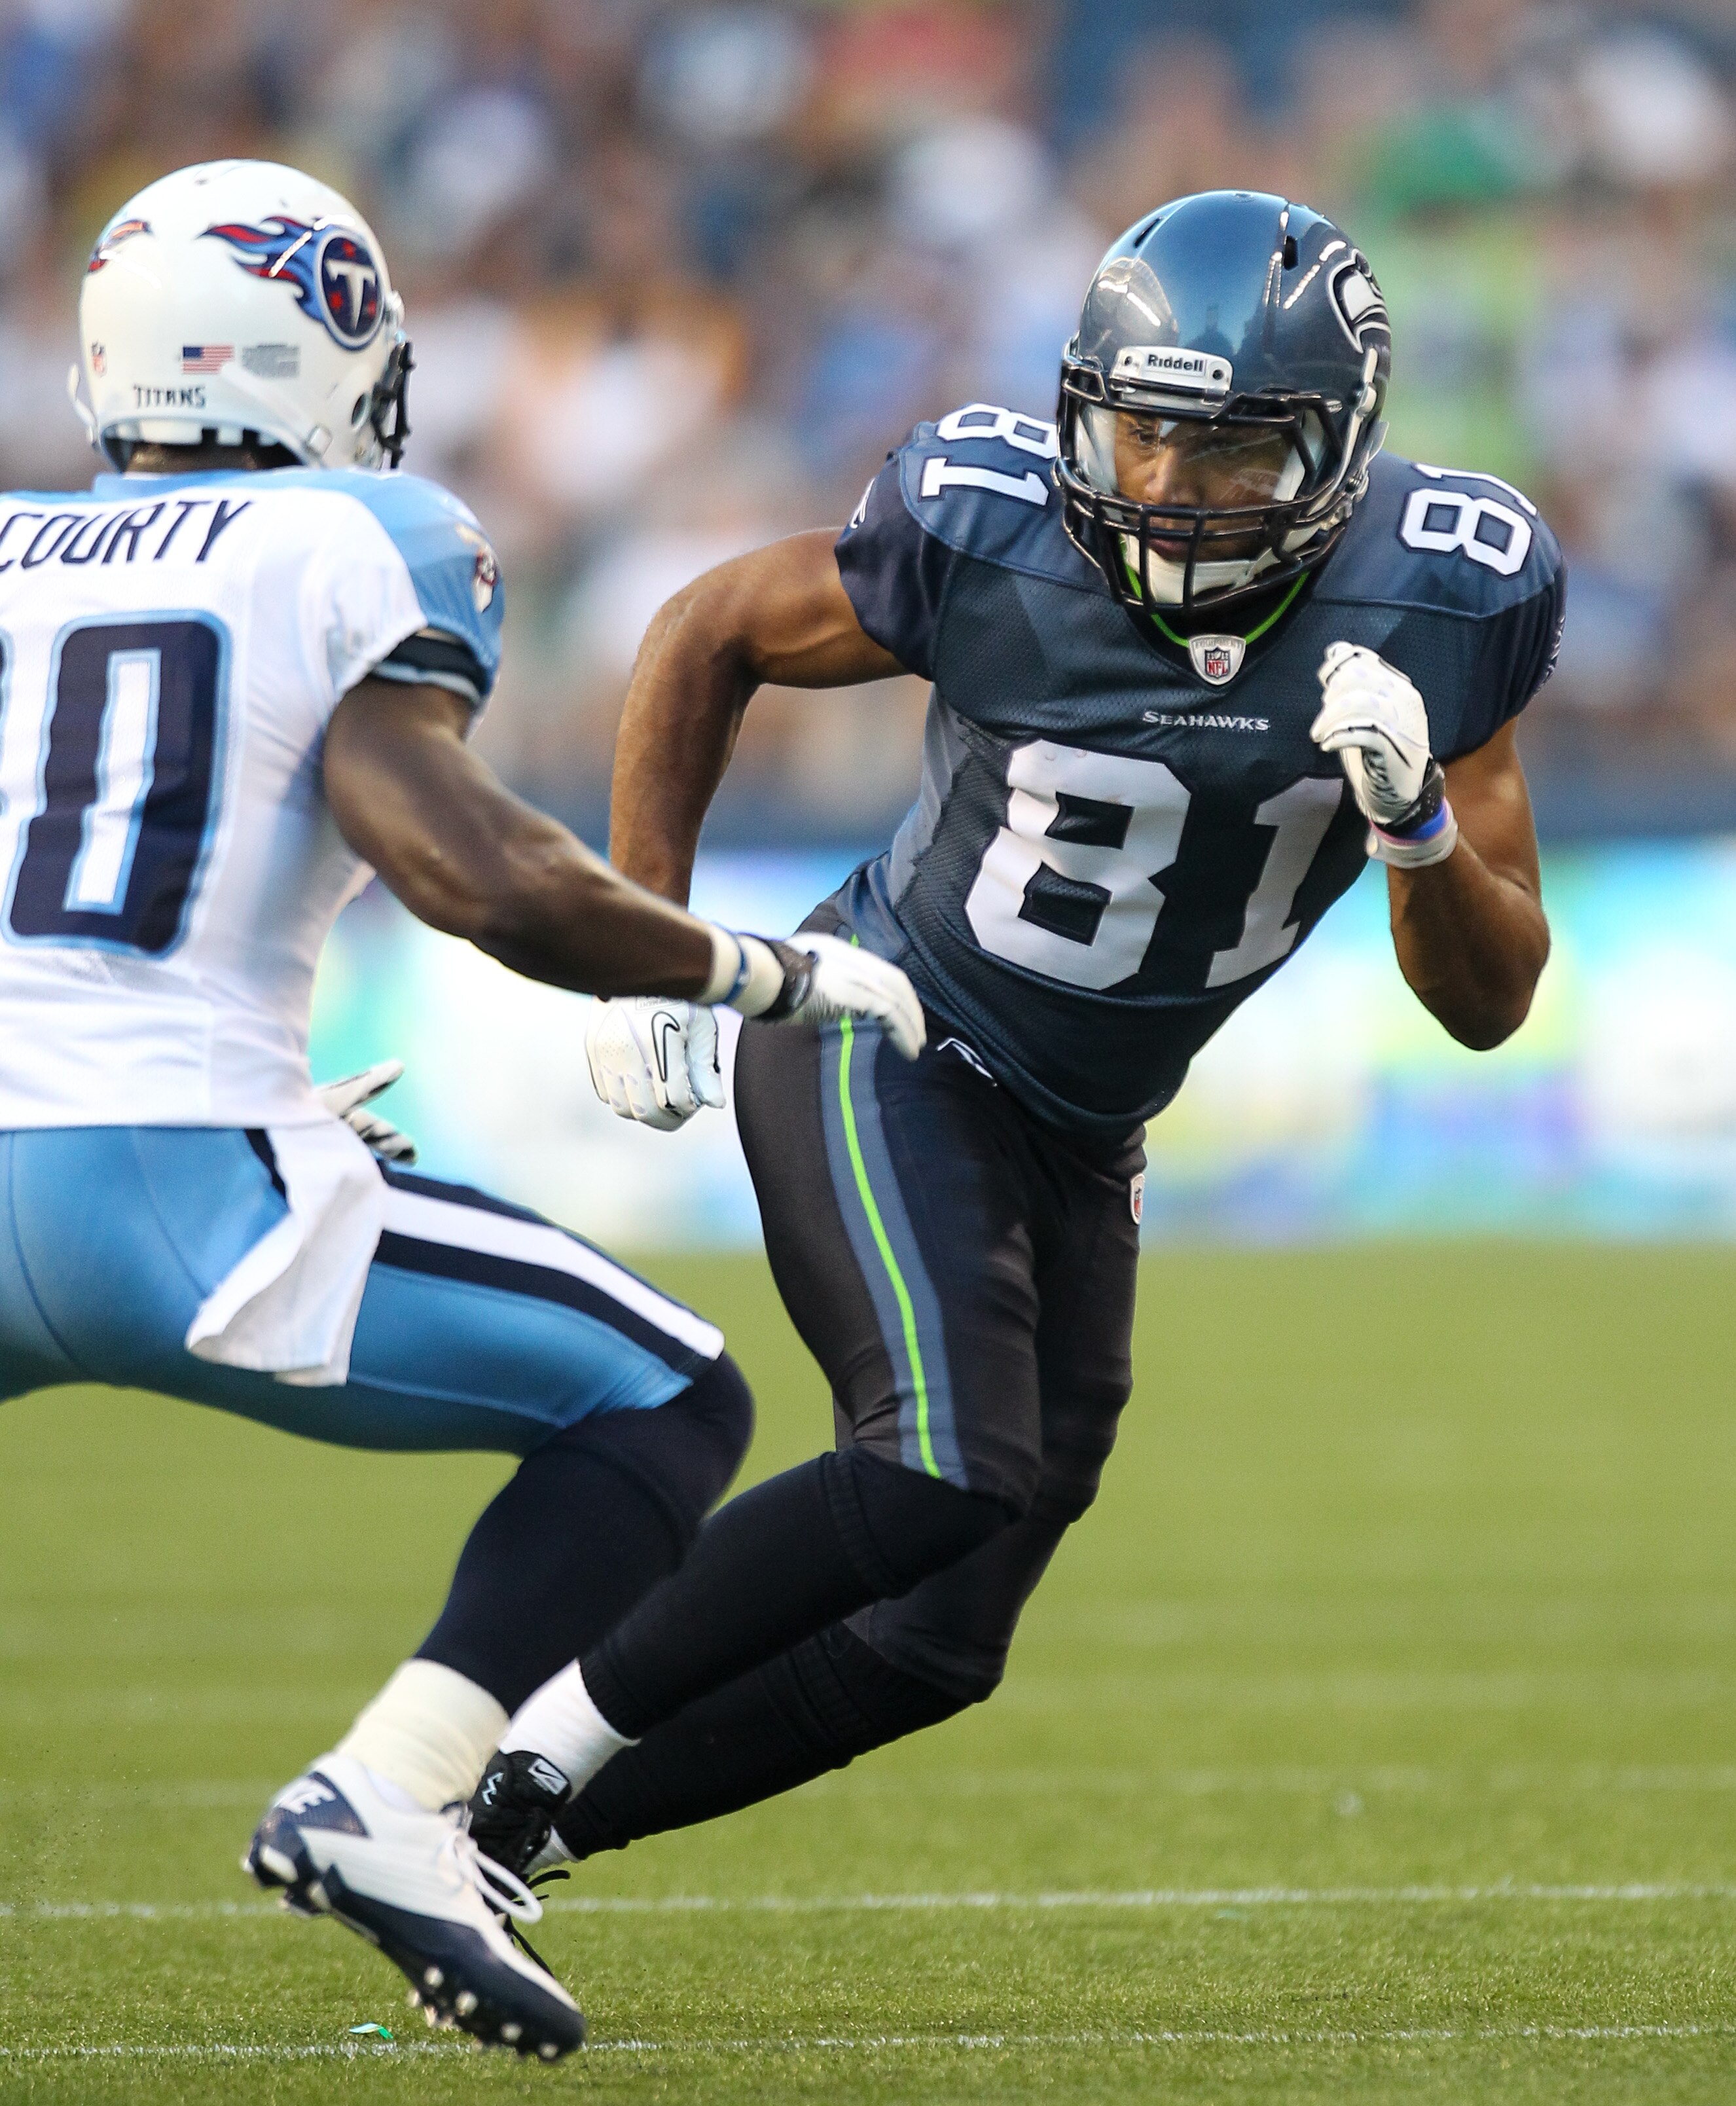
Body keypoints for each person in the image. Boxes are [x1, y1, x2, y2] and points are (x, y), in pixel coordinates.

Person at [467, 192, 1562, 1887]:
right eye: (1135, 439)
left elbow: (1489, 1004)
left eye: (1228, 459)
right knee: (930, 1462)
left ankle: (492, 1832)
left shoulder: (1446, 597)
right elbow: (706, 628)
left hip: (1081, 1125)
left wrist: (1414, 823)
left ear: (1337, 452)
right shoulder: (988, 530)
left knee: (935, 1637)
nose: (1165, 496)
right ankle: (485, 1749)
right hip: (889, 1024)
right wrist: (654, 950)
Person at [0, 158, 923, 2061]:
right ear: (327, 343)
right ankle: (392, 1793)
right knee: (669, 1394)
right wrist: (739, 966)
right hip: (173, 1175)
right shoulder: (354, 533)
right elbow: (466, 867)